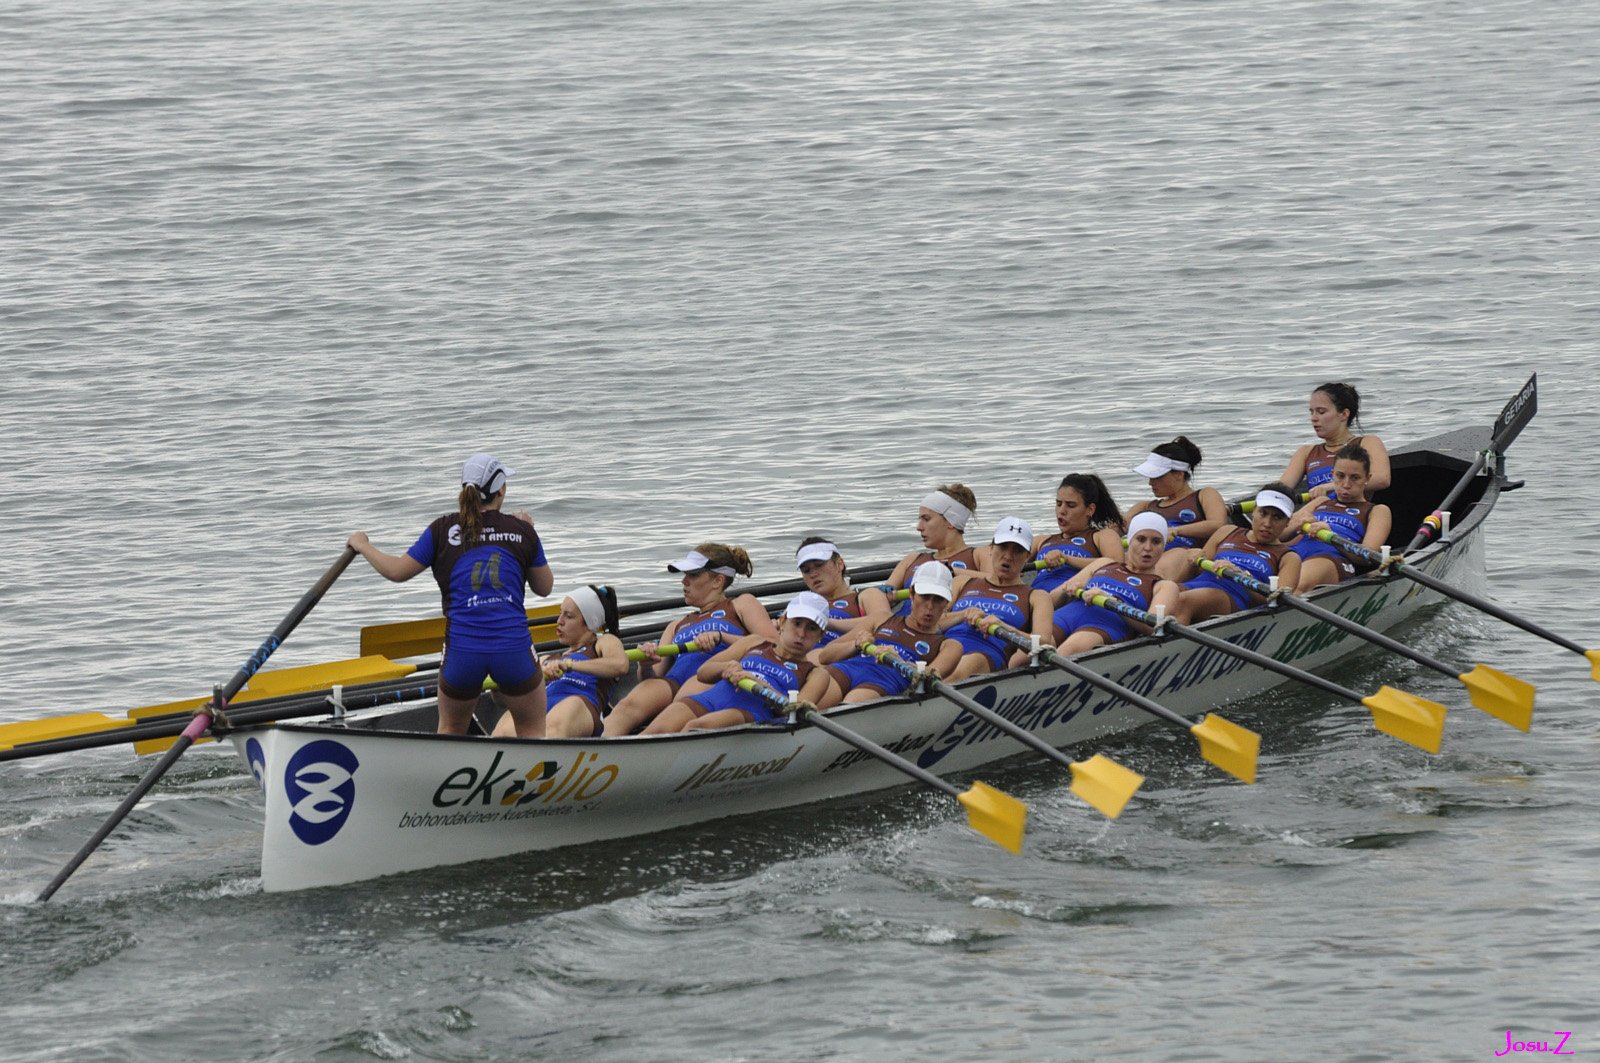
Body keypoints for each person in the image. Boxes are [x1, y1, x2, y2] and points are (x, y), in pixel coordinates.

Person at [347, 453, 553, 736]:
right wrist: (530, 532)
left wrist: (361, 545)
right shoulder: (521, 530)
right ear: (501, 490)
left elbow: (396, 572)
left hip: (462, 653)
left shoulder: (441, 530)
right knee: (532, 731)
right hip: (512, 650)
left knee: (451, 729)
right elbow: (544, 588)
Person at [600, 544, 776, 736]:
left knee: (674, 713)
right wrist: (646, 665)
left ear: (717, 581)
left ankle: (634, 753)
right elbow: (652, 677)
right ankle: (597, 750)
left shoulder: (740, 604)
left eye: (693, 575)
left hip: (713, 675)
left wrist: (721, 636)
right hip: (673, 681)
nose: (684, 581)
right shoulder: (675, 625)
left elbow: (772, 643)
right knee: (628, 705)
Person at [643, 592, 830, 733]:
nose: (801, 634)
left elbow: (794, 711)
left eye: (812, 629)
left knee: (695, 727)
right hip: (710, 698)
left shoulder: (816, 674)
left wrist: (761, 685)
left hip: (749, 712)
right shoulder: (754, 642)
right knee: (651, 733)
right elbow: (703, 672)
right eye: (796, 623)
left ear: (821, 636)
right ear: (782, 622)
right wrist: (726, 667)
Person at [803, 562, 965, 707]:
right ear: (911, 595)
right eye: (924, 597)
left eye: (938, 599)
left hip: (880, 683)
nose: (929, 606)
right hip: (847, 669)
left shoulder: (950, 646)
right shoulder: (881, 618)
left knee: (853, 703)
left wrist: (898, 660)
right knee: (816, 694)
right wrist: (856, 645)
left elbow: (926, 678)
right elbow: (825, 656)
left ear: (947, 603)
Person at [494, 585, 628, 738]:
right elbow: (503, 700)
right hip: (541, 709)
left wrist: (570, 666)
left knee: (569, 706)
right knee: (511, 718)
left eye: (569, 616)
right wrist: (499, 685)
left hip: (580, 707)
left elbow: (620, 665)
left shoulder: (603, 642)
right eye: (560, 614)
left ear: (590, 622)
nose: (559, 621)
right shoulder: (546, 659)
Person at [938, 517, 1056, 679]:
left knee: (971, 662)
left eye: (1017, 550)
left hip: (987, 655)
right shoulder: (962, 582)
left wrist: (1004, 627)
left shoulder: (1038, 596)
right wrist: (963, 614)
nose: (1008, 556)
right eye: (1003, 547)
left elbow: (1043, 643)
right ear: (991, 549)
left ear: (1027, 557)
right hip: (945, 648)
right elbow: (932, 623)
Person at [1049, 512, 1181, 654]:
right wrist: (1067, 590)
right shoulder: (1104, 563)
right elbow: (1050, 600)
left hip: (1102, 627)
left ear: (1164, 546)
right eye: (1141, 539)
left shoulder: (1165, 586)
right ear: (1130, 540)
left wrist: (1113, 602)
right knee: (1035, 645)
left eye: (1156, 541)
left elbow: (1153, 627)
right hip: (1067, 615)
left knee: (1069, 649)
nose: (1148, 547)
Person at [1172, 485, 1303, 624]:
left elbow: (1278, 600)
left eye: (1277, 517)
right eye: (1263, 513)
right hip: (1196, 586)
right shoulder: (1226, 531)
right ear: (1254, 511)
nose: (1267, 523)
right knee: (1166, 593)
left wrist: (1240, 574)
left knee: (1182, 601)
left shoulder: (1288, 557)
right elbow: (1185, 577)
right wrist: (1193, 560)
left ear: (1288, 522)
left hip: (1231, 598)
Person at [1285, 442, 1393, 591]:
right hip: (1294, 552)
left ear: (1367, 478)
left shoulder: (1377, 511)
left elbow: (1367, 555)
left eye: (1355, 478)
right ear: (1332, 475)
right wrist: (1299, 523)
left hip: (1329, 558)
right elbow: (1280, 534)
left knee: (1296, 585)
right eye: (1340, 476)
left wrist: (1331, 535)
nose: (1346, 484)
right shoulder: (1321, 501)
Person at [1126, 436, 1228, 581]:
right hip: (1146, 553)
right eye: (1150, 477)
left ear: (1179, 475)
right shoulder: (1145, 506)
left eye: (1157, 477)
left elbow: (1218, 524)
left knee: (1178, 554)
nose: (1150, 482)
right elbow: (1120, 526)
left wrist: (1177, 530)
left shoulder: (1204, 495)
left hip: (1185, 556)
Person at [1278, 382, 1391, 498]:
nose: (1313, 418)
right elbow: (1281, 488)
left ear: (1344, 414)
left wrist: (1332, 486)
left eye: (1321, 412)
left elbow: (1382, 479)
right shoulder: (1306, 452)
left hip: (1354, 514)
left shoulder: (1367, 443)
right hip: (1316, 514)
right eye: (1311, 412)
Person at [1021, 473, 1126, 597]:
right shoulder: (1041, 541)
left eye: (1071, 505)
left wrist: (1067, 559)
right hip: (1036, 598)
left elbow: (1116, 566)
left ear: (1090, 510)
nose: (1062, 511)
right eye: (1058, 504)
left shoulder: (1101, 536)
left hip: (1071, 596)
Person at [882, 484, 981, 606]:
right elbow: (883, 597)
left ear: (951, 521)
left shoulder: (978, 555)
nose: (919, 527)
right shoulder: (911, 560)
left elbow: (999, 582)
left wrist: (952, 571)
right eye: (920, 520)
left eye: (926, 519)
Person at [794, 537, 893, 659]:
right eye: (806, 570)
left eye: (819, 565)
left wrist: (828, 623)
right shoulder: (801, 606)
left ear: (839, 564)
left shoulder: (867, 595)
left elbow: (886, 624)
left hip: (847, 660)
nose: (813, 574)